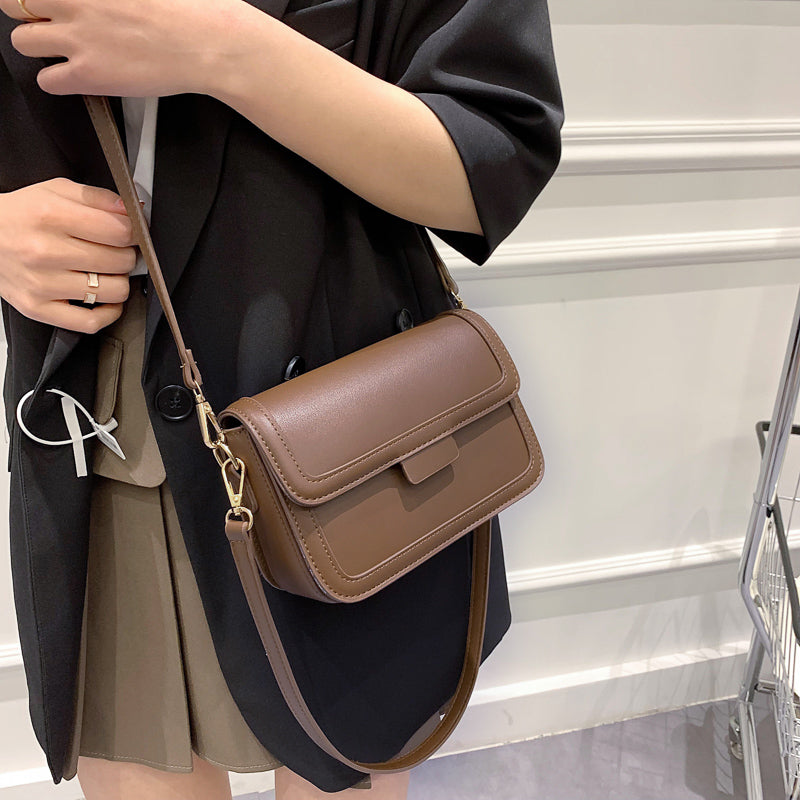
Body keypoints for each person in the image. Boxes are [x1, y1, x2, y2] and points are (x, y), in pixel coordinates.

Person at [0, 0, 564, 797]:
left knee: (350, 755)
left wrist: (222, 47)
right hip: (98, 408)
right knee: (135, 756)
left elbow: (494, 153)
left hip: (341, 412)